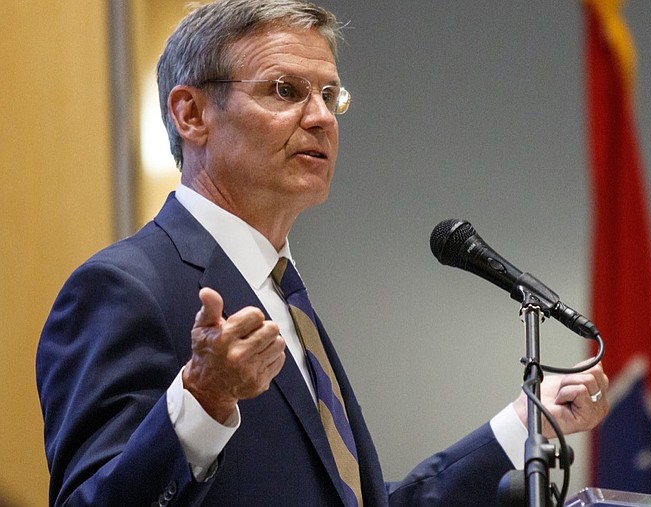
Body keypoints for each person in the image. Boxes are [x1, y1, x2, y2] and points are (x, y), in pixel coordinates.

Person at [36, 0, 609, 505]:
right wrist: (199, 405)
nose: (320, 118)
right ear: (191, 114)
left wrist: (522, 425)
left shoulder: (283, 293)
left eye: (331, 95)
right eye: (285, 90)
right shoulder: (124, 287)